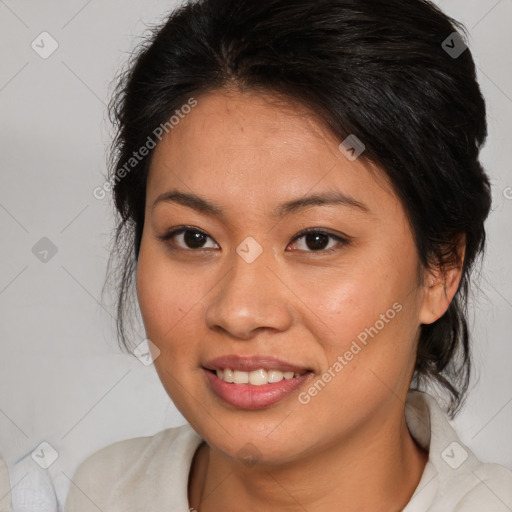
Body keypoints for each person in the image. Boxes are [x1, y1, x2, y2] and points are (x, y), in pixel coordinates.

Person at [65, 0, 512, 510]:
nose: (239, 312)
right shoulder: (102, 491)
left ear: (439, 271)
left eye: (316, 240)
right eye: (193, 237)